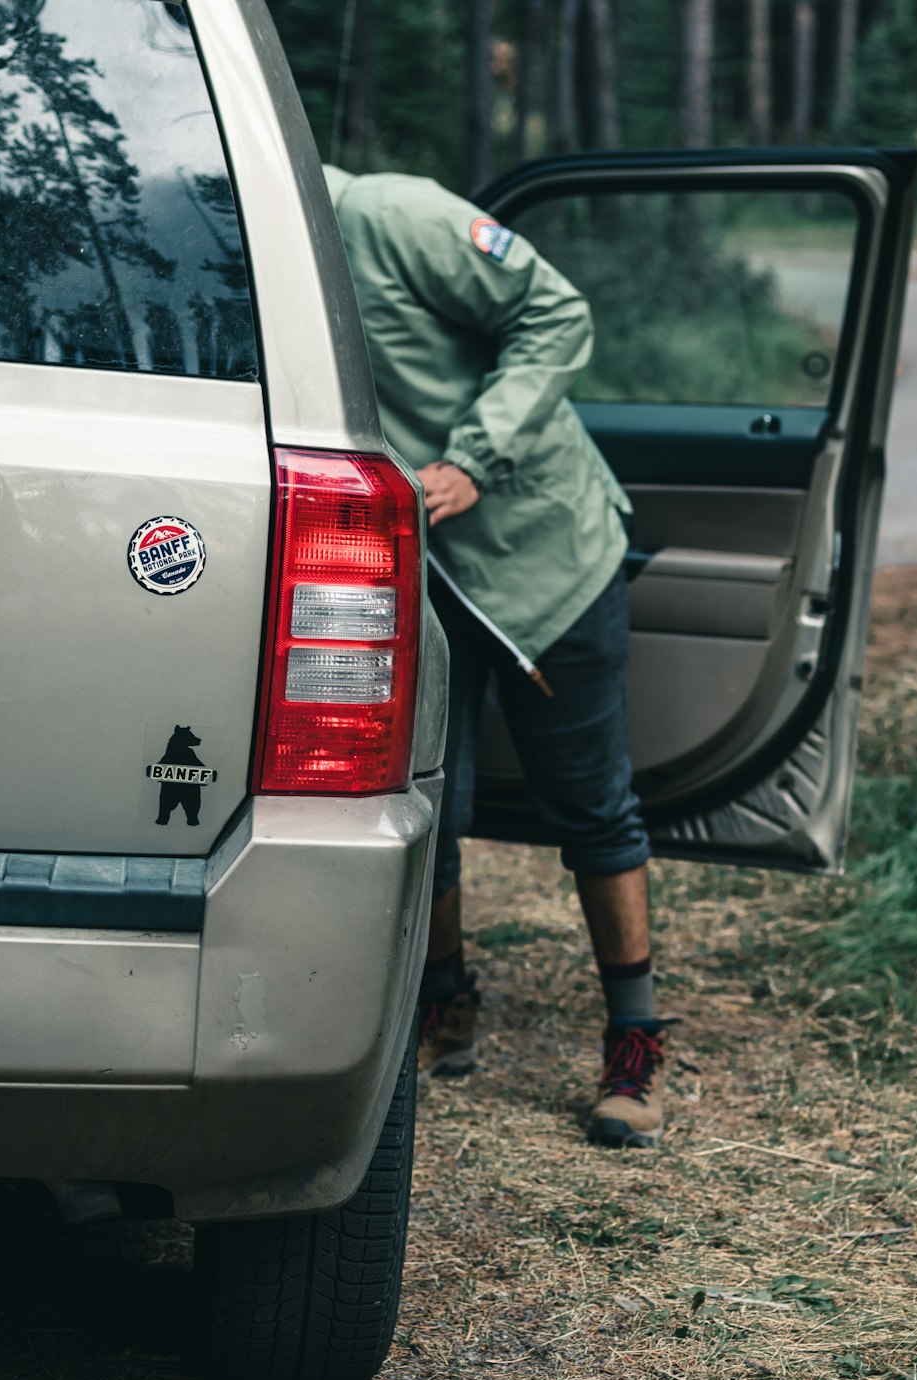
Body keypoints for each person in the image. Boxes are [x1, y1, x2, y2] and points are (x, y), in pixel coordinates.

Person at [323, 165, 673, 1147]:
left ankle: (634, 1045)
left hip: (541, 559)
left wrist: (473, 454)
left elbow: (556, 315)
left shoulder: (388, 214)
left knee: (591, 805)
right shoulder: (246, 259)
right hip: (415, 576)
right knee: (422, 799)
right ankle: (445, 1006)